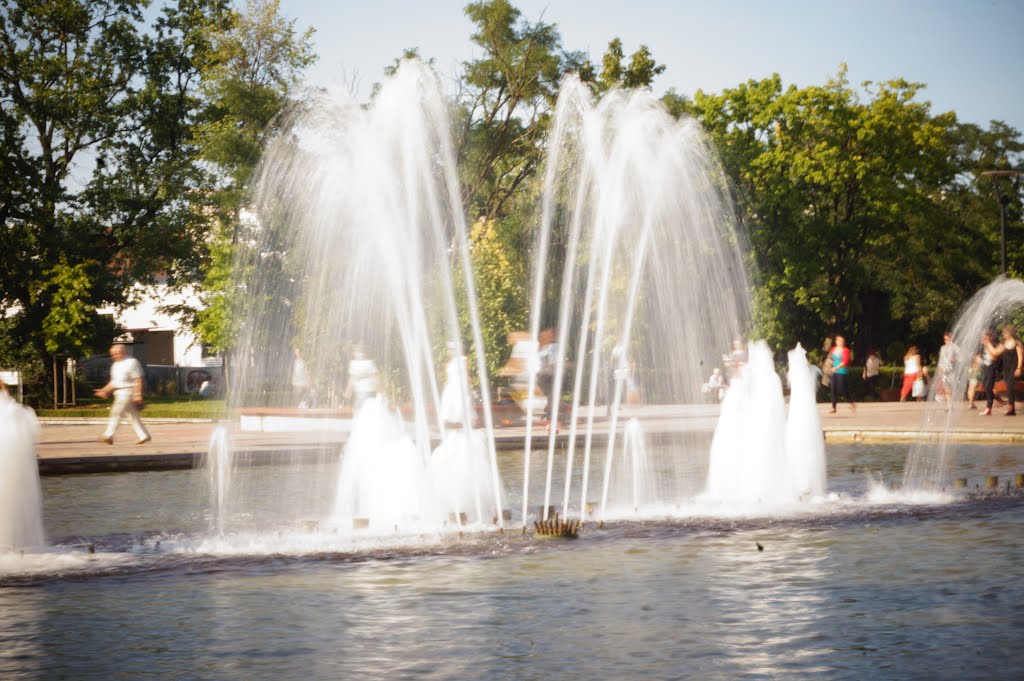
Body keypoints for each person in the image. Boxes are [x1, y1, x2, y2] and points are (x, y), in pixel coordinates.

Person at [94, 343, 151, 445]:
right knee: (132, 416)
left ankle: (108, 435)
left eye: (117, 353)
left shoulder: (131, 362)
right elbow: (114, 382)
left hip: (128, 391)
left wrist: (138, 394)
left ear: (124, 352)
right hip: (118, 392)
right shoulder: (115, 365)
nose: (115, 356)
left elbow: (138, 379)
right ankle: (143, 435)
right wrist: (104, 390)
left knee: (116, 412)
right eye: (113, 354)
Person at [982, 325, 1023, 416]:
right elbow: (995, 352)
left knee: (1010, 388)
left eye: (1004, 332)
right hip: (1006, 369)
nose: (1003, 334)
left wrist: (1019, 368)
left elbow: (1020, 356)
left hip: (1014, 368)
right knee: (1009, 387)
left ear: (1010, 333)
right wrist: (988, 344)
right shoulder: (1004, 342)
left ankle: (1011, 409)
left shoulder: (1017, 342)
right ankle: (1011, 408)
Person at [439, 342, 474, 428]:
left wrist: (469, 386)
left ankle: (464, 423)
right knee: (447, 403)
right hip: (450, 386)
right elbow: (449, 377)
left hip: (459, 386)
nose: (449, 352)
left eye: (451, 350)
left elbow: (466, 374)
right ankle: (444, 423)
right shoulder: (449, 363)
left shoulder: (463, 360)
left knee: (460, 403)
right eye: (449, 350)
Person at [344, 345, 379, 411]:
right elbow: (352, 379)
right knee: (361, 409)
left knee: (360, 409)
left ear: (365, 354)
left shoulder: (368, 363)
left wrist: (380, 391)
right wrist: (348, 391)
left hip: (367, 391)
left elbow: (375, 378)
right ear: (353, 353)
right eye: (358, 352)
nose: (361, 355)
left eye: (362, 352)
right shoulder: (353, 364)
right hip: (360, 392)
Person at [536, 328, 559, 426]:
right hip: (546, 375)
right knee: (550, 396)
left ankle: (548, 415)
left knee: (549, 396)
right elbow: (552, 361)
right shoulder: (550, 347)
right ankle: (549, 416)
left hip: (544, 375)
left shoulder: (545, 347)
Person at [827, 335, 854, 413]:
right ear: (836, 341)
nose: (841, 342)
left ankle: (850, 401)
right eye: (839, 340)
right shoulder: (833, 349)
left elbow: (845, 362)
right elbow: (829, 359)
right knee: (833, 389)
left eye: (842, 341)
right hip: (833, 371)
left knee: (842, 389)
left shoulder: (846, 350)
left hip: (842, 372)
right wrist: (829, 366)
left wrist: (836, 368)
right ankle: (833, 407)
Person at [935, 332, 961, 403]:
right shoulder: (943, 348)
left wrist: (955, 359)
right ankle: (949, 404)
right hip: (944, 370)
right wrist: (940, 368)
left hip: (953, 370)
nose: (946, 341)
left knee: (952, 387)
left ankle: (953, 401)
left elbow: (961, 358)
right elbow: (941, 359)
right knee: (946, 387)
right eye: (945, 340)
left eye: (948, 339)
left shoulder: (955, 347)